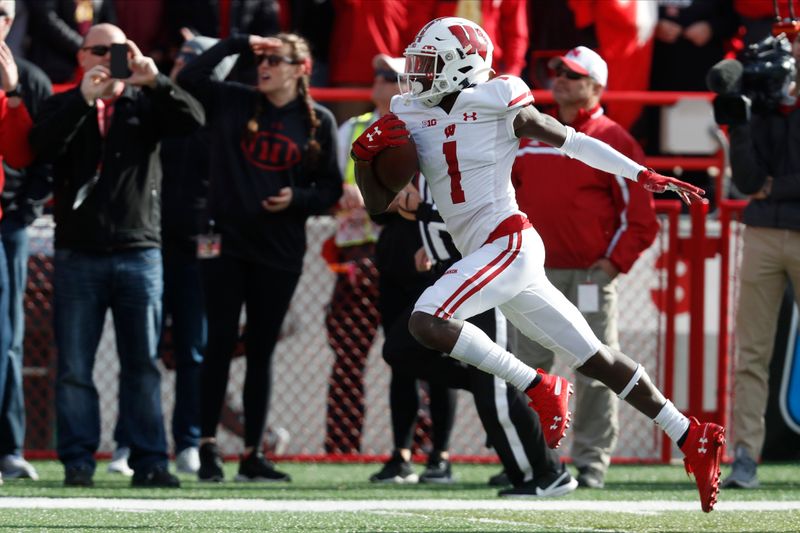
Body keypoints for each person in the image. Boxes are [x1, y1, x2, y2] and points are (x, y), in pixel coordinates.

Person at [353, 16, 724, 513]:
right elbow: (379, 204)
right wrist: (363, 161)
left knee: (427, 320)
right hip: (494, 253)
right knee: (595, 357)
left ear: (462, 66)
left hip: (507, 243)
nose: (417, 74)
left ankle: (540, 385)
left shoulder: (497, 97)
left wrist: (642, 174)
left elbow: (570, 140)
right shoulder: (409, 111)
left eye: (429, 64)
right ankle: (690, 434)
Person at [29, 23, 205, 488]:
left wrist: (156, 80)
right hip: (78, 253)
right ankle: (78, 461)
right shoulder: (63, 102)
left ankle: (150, 459)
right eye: (99, 50)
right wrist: (82, 100)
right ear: (81, 57)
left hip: (138, 250)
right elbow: (41, 147)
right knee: (74, 366)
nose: (109, 58)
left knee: (143, 364)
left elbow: (193, 120)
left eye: (119, 50)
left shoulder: (145, 102)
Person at [177, 32, 342, 482]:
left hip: (279, 250)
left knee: (261, 351)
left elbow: (329, 188)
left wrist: (297, 199)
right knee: (218, 343)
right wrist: (236, 44)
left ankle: (252, 454)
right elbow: (190, 78)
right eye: (261, 59)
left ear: (299, 68)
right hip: (224, 245)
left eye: (275, 60)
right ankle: (207, 447)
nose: (264, 67)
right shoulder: (234, 100)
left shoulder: (318, 121)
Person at [508, 46, 659, 489]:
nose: (559, 79)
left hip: (589, 276)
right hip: (530, 273)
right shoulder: (534, 132)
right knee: (526, 369)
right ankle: (533, 461)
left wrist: (611, 264)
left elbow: (641, 218)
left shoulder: (614, 139)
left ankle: (591, 461)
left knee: (595, 369)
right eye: (557, 72)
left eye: (571, 75)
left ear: (596, 86)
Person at [376, 176, 578, 496]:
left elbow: (477, 217)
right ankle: (484, 382)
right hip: (450, 274)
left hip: (481, 276)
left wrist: (423, 213)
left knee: (494, 391)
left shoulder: (462, 152)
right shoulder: (429, 161)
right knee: (400, 349)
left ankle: (548, 471)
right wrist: (430, 244)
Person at [721, 30, 800, 490]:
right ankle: (746, 454)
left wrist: (778, 187)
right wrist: (741, 121)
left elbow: (770, 185)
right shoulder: (763, 101)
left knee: (754, 353)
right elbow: (750, 181)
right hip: (763, 231)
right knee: (751, 351)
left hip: (776, 223)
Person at [159, 35, 237, 475]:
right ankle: (132, 443)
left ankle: (187, 439)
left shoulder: (226, 116)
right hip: (152, 244)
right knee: (143, 353)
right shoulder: (158, 109)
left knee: (192, 351)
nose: (184, 68)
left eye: (194, 61)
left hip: (200, 250)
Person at [323, 54, 397, 455]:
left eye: (390, 76)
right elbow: (327, 188)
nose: (380, 82)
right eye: (379, 75)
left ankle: (414, 449)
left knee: (407, 355)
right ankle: (340, 448)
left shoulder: (421, 130)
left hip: (398, 253)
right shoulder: (351, 127)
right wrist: (339, 195)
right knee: (347, 360)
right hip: (354, 254)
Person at [0, 0, 52, 482]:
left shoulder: (29, 80)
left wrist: (12, 96)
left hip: (7, 225)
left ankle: (8, 446)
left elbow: (29, 157)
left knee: (7, 339)